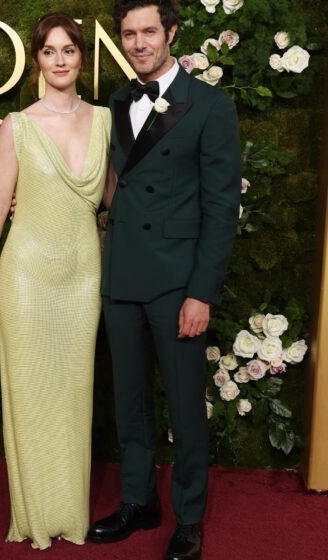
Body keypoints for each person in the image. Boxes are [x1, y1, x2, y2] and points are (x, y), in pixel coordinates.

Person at [87, 1, 241, 559]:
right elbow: (112, 186)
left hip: (178, 281)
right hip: (122, 271)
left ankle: (190, 518)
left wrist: (201, 291)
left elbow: (222, 209)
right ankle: (138, 501)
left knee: (182, 404)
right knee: (128, 400)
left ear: (171, 33)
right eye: (129, 34)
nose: (138, 42)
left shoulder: (210, 105)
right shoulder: (118, 100)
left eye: (149, 31)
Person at [0, 13, 111, 550]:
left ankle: (69, 511)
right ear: (36, 59)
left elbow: (115, 201)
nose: (59, 60)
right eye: (49, 51)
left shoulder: (104, 120)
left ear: (82, 57)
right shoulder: (18, 125)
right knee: (31, 395)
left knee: (74, 392)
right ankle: (33, 515)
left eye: (69, 50)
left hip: (82, 276)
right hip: (27, 274)